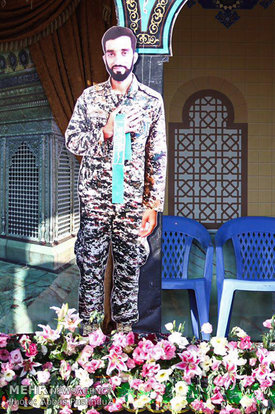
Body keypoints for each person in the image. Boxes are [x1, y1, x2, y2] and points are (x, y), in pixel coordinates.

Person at [65, 26, 167, 334]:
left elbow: (157, 156)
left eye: (124, 52)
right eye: (111, 53)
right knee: (91, 270)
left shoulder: (152, 101)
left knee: (128, 271)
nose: (117, 59)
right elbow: (72, 141)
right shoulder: (89, 98)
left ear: (134, 56)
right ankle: (89, 340)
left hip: (132, 201)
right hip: (95, 201)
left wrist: (153, 204)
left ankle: (123, 341)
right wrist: (105, 132)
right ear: (104, 57)